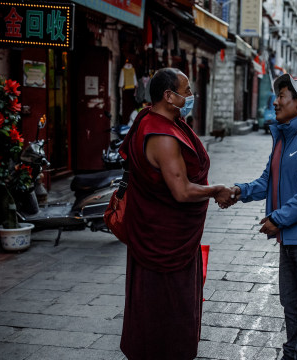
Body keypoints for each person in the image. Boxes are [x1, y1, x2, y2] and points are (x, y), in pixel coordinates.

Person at [119, 68, 235, 360]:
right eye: (186, 91)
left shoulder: (150, 119)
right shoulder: (162, 135)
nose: (190, 95)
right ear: (168, 96)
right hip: (165, 239)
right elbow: (181, 191)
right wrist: (216, 189)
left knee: (153, 300)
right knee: (169, 304)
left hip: (158, 230)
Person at [223, 74, 297, 360]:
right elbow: (267, 180)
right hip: (289, 235)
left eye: (282, 95)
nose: (275, 101)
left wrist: (279, 218)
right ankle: (292, 354)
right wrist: (239, 191)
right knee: (290, 303)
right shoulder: (283, 138)